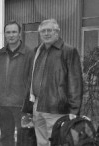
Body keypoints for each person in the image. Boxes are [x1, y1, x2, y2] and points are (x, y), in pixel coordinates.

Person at [23, 18, 83, 146]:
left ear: (57, 32)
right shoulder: (37, 51)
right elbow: (31, 79)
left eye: (49, 30)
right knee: (41, 141)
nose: (46, 33)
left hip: (56, 108)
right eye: (43, 31)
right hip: (37, 106)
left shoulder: (68, 51)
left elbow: (75, 82)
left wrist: (74, 110)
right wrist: (28, 108)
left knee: (58, 141)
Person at [0, 20, 31, 146]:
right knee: (6, 138)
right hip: (4, 105)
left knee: (25, 139)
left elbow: (33, 81)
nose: (11, 35)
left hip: (22, 106)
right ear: (5, 34)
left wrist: (30, 104)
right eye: (8, 32)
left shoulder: (29, 54)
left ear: (19, 34)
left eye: (14, 32)